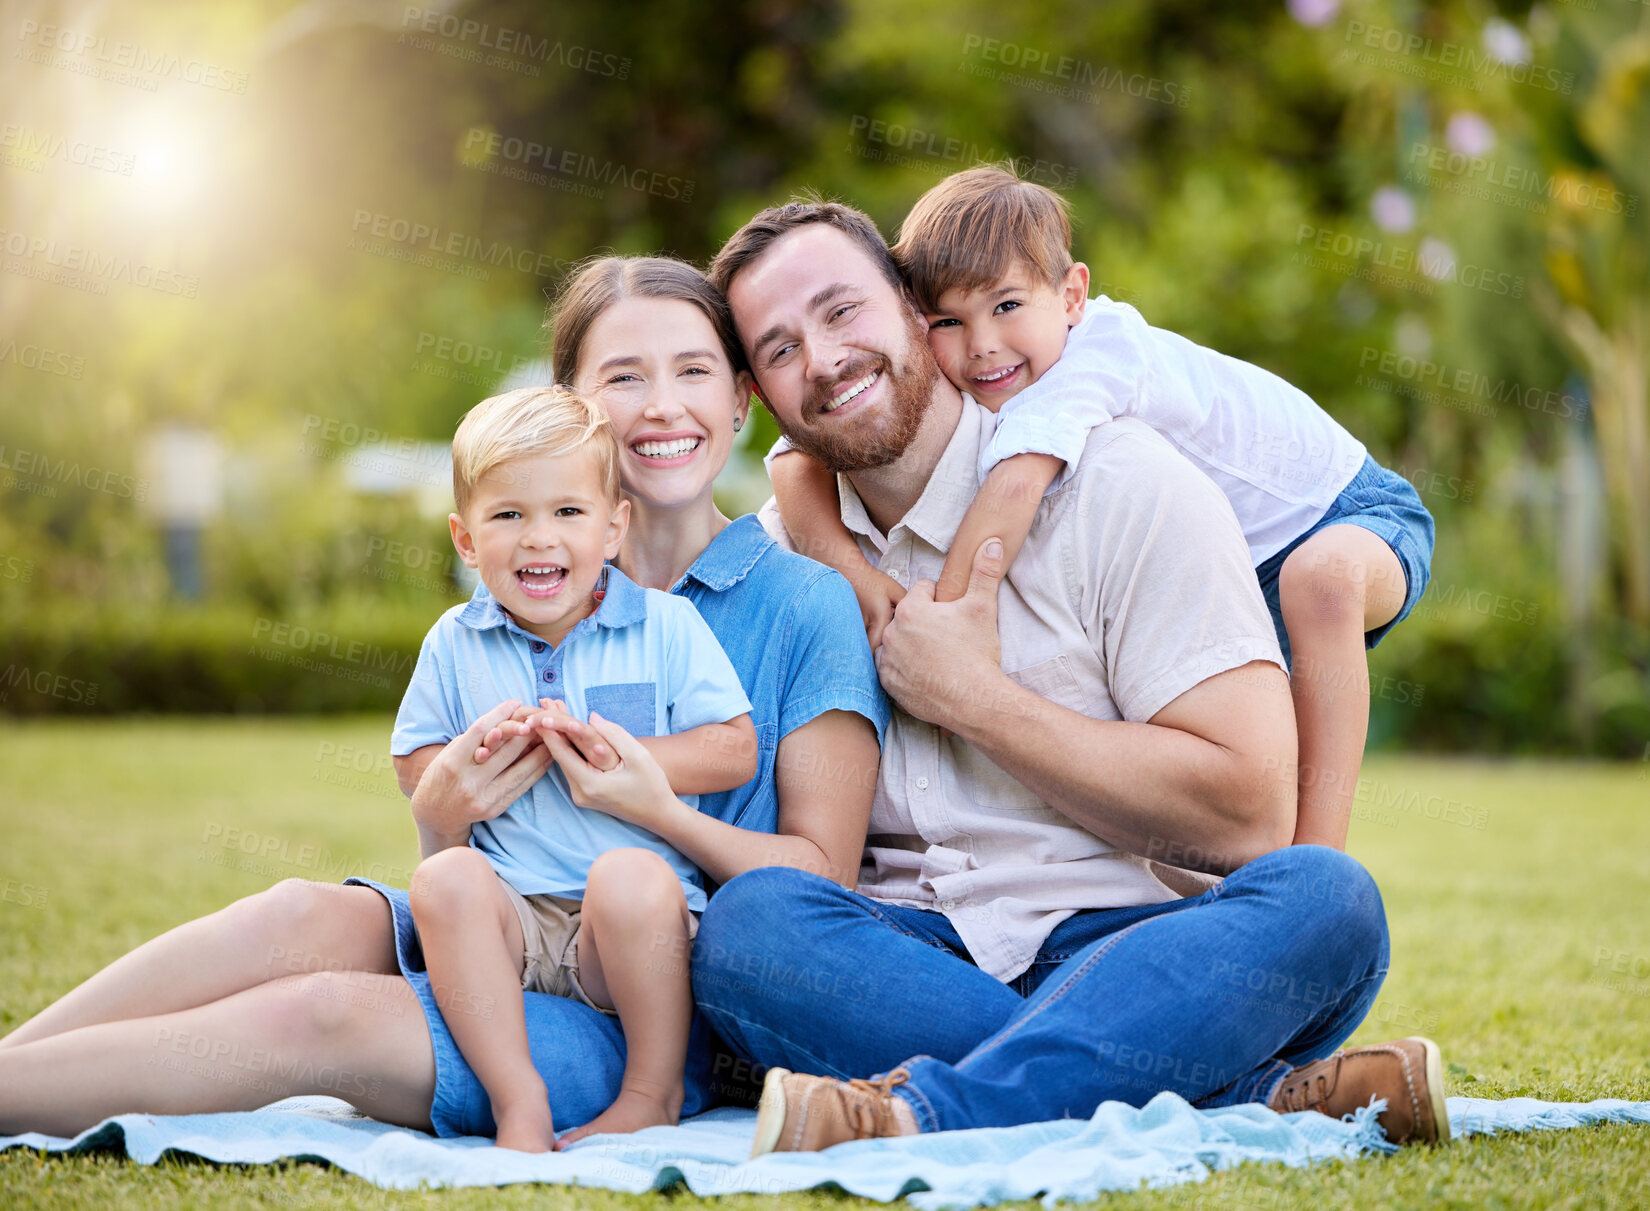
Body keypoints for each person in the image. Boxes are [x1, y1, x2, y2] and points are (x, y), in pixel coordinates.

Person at [0, 255, 889, 1144]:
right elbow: (450, 838)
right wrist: (443, 813)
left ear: (740, 400)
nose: (660, 405)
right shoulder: (520, 586)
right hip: (503, 921)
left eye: (692, 370)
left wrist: (648, 788)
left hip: (647, 994)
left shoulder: (803, 599)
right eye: (623, 376)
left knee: (319, 1012)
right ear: (567, 402)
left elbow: (819, 895)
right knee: (294, 914)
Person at [692, 196, 1449, 1154]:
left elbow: (1252, 816)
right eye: (782, 347)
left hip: (1135, 948)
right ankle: (1235, 1088)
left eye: (843, 312)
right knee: (751, 928)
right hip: (905, 958)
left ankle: (934, 1111)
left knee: (1326, 902)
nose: (828, 358)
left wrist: (979, 703)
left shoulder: (1121, 481)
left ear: (913, 306)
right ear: (758, 390)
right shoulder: (779, 564)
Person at [767, 164, 1435, 851]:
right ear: (916, 320)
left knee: (1319, 584)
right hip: (1241, 559)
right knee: (1233, 755)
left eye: (1006, 307)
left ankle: (1319, 866)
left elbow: (1010, 496)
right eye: (949, 320)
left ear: (1072, 294)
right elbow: (795, 458)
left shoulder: (1090, 363)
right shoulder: (981, 369)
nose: (982, 344)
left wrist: (939, 635)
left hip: (1342, 511)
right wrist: (850, 569)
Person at [397, 385, 758, 1150]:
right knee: (441, 878)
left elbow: (733, 746)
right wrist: (465, 768)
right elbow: (417, 762)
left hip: (624, 935)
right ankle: (516, 1094)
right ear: (465, 539)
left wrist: (622, 757)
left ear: (614, 526)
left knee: (629, 876)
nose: (538, 539)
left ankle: (650, 1090)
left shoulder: (665, 624)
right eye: (508, 515)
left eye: (567, 512)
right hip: (513, 919)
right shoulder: (455, 641)